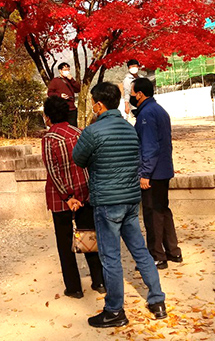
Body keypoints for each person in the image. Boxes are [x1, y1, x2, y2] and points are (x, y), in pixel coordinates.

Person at [72, 82, 166, 328]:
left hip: (107, 201)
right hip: (130, 199)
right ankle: (157, 301)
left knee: (110, 257)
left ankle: (114, 310)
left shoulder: (93, 131)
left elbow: (78, 158)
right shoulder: (129, 128)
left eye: (93, 102)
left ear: (99, 105)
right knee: (140, 250)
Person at [41, 96, 105, 299]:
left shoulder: (50, 139)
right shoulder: (79, 133)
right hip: (84, 193)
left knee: (64, 242)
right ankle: (99, 280)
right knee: (88, 236)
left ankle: (74, 287)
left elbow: (53, 171)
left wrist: (67, 196)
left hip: (61, 198)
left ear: (48, 116)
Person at [131, 78, 182, 270]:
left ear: (140, 94)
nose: (132, 96)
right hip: (163, 169)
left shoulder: (147, 114)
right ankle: (172, 251)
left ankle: (156, 255)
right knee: (162, 210)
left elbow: (150, 146)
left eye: (133, 92)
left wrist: (145, 174)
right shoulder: (159, 110)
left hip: (153, 172)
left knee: (152, 214)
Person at [47, 62, 81, 127]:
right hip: (61, 109)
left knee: (72, 127)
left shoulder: (70, 80)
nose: (67, 71)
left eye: (68, 70)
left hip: (72, 108)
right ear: (60, 71)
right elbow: (50, 93)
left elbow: (78, 89)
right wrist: (60, 95)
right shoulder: (55, 81)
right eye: (65, 70)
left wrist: (72, 80)